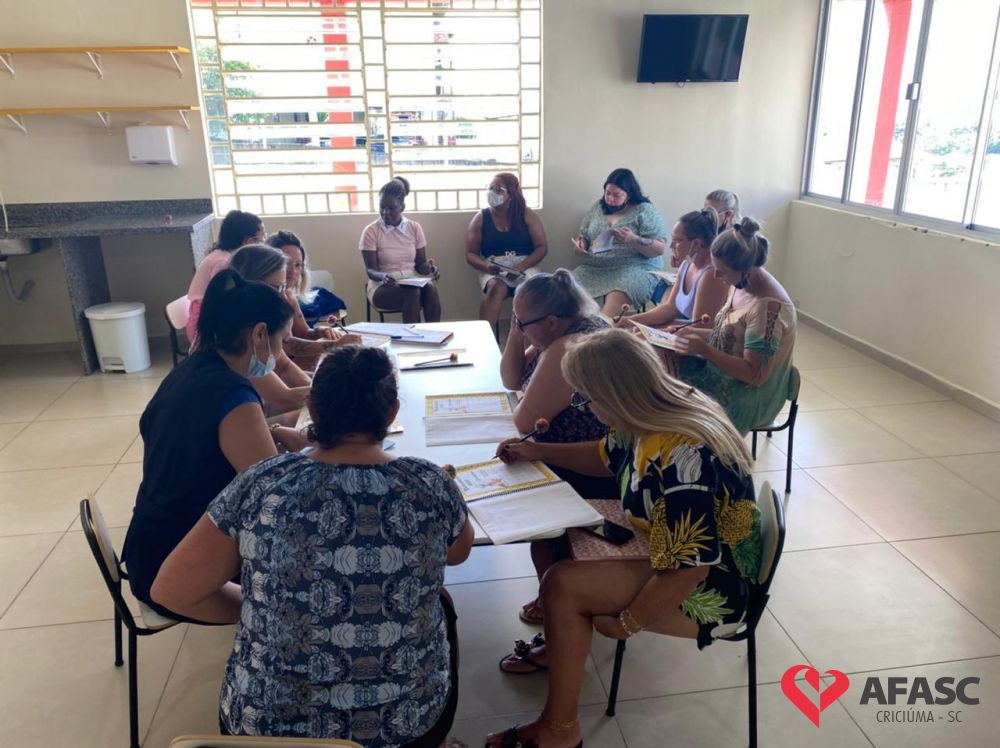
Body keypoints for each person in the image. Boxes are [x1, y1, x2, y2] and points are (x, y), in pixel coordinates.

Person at [151, 345, 474, 747]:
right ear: (392, 413)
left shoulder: (261, 483)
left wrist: (266, 611)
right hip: (405, 730)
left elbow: (171, 590)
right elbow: (458, 553)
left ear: (313, 411)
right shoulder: (430, 484)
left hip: (263, 732)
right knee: (441, 604)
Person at [487, 328, 761, 748]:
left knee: (563, 585)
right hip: (668, 546)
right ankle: (560, 641)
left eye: (586, 399)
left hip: (712, 583)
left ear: (613, 396)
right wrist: (539, 451)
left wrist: (628, 623)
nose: (584, 407)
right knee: (550, 535)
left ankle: (560, 730)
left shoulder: (684, 456)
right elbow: (607, 455)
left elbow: (690, 569)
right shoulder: (648, 410)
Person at [122, 269, 290, 622]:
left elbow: (210, 445)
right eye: (281, 341)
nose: (280, 352)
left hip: (150, 548)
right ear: (259, 334)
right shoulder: (234, 395)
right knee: (305, 589)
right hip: (179, 578)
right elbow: (276, 497)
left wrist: (279, 433)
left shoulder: (191, 371)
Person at [674, 218, 797, 435]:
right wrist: (693, 333)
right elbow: (733, 336)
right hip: (722, 374)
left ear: (745, 270)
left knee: (669, 411)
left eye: (721, 270)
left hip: (748, 396)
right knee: (659, 374)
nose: (716, 275)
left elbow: (754, 375)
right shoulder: (742, 282)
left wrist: (705, 350)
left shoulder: (768, 309)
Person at [227, 245, 324, 413]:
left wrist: (325, 383)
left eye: (284, 288)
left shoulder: (258, 319)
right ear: (252, 283)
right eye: (277, 288)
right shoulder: (240, 332)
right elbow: (283, 399)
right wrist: (335, 389)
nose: (282, 295)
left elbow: (284, 366)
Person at [571, 168, 668, 317]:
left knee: (623, 288)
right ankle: (572, 325)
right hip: (596, 267)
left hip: (634, 267)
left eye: (617, 195)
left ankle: (603, 326)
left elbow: (660, 248)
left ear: (629, 195)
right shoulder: (598, 207)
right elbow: (584, 234)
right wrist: (581, 244)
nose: (610, 199)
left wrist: (633, 239)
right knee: (568, 285)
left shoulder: (645, 210)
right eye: (607, 193)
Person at [620, 208, 728, 329]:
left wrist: (651, 329)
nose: (671, 246)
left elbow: (698, 327)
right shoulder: (686, 264)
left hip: (698, 337)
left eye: (676, 240)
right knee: (636, 330)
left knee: (638, 335)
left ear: (696, 244)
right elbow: (669, 308)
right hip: (687, 332)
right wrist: (630, 320)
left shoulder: (711, 275)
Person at [465, 172, 548, 330]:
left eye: (498, 189)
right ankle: (485, 335)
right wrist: (487, 267)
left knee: (533, 290)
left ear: (511, 194)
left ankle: (531, 337)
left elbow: (542, 247)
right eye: (490, 188)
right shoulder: (481, 217)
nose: (491, 193)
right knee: (495, 288)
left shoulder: (527, 214)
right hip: (493, 266)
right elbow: (470, 254)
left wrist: (520, 267)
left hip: (525, 265)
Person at [265, 230, 357, 371]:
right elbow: (288, 346)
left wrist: (319, 331)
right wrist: (335, 345)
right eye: (286, 264)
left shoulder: (288, 295)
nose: (293, 272)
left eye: (298, 265)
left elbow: (302, 333)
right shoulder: (265, 298)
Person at [361, 176, 441, 323]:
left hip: (412, 279)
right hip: (383, 284)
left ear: (402, 207)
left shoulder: (414, 227)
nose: (385, 212)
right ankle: (412, 336)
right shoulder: (371, 231)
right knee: (413, 293)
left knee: (431, 289)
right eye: (382, 207)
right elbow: (371, 270)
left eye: (391, 208)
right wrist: (384, 276)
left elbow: (420, 264)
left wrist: (430, 269)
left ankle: (434, 333)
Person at [185, 210, 265, 341]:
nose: (264, 241)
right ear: (249, 241)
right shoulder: (223, 262)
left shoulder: (226, 255)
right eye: (263, 236)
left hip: (209, 314)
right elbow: (223, 301)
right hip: (205, 323)